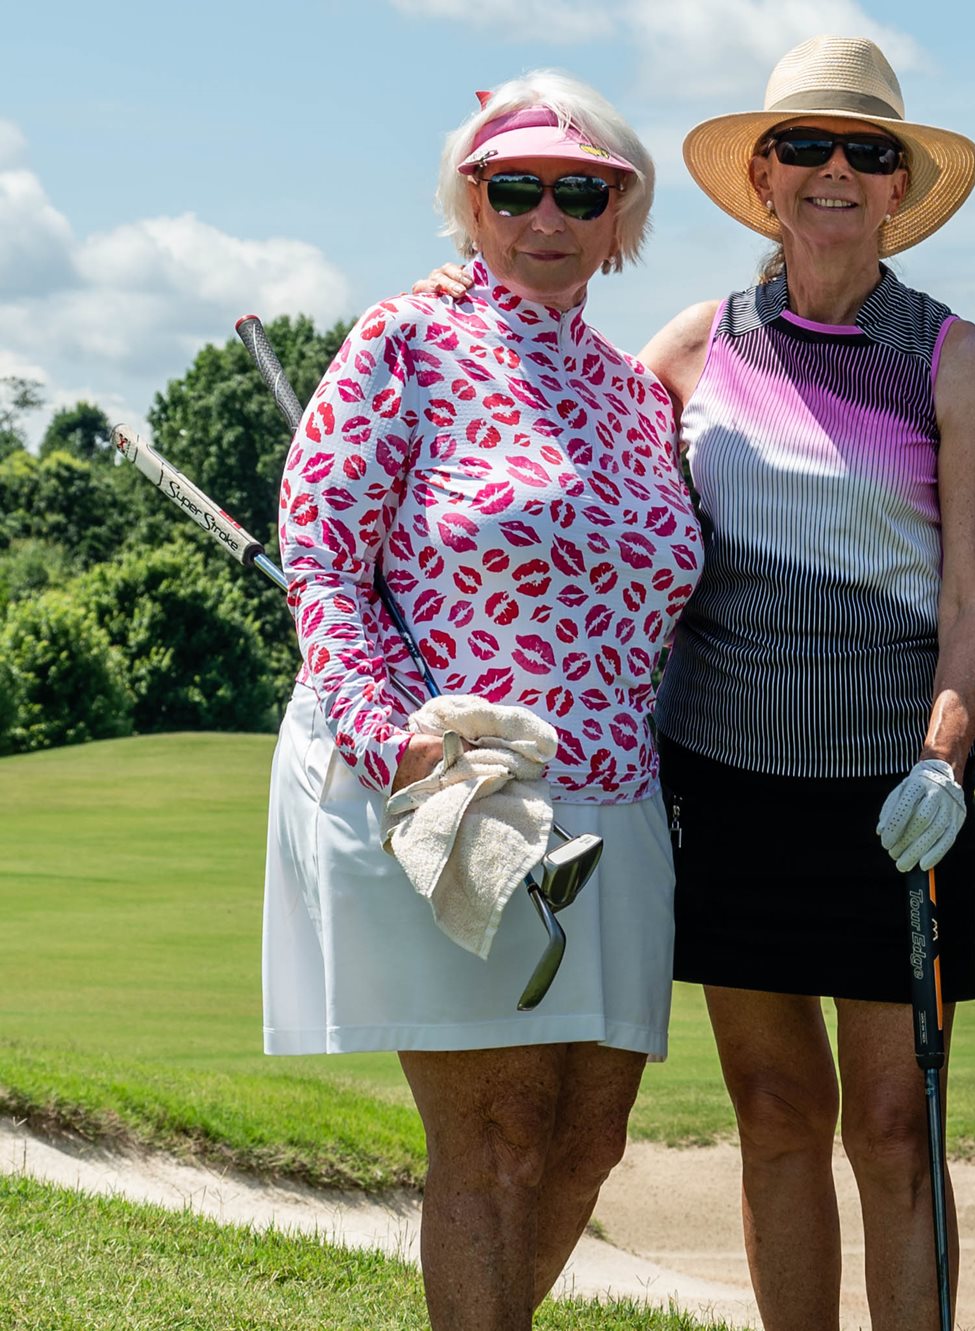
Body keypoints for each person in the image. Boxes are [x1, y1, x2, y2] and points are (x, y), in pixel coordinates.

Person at [263, 72, 702, 1329]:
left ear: (622, 217)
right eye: (514, 187)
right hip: (463, 792)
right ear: (471, 201)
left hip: (619, 804)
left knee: (588, 1137)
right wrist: (394, 741)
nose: (546, 215)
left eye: (581, 192)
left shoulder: (635, 392)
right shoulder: (403, 342)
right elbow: (324, 565)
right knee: (501, 1130)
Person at [646, 35, 975, 1331]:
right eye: (804, 146)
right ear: (764, 175)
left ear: (900, 183)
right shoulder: (691, 348)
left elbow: (973, 596)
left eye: (865, 151)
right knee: (776, 1110)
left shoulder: (954, 357)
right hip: (726, 784)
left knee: (897, 1123)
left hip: (897, 793)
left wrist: (944, 757)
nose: (834, 170)